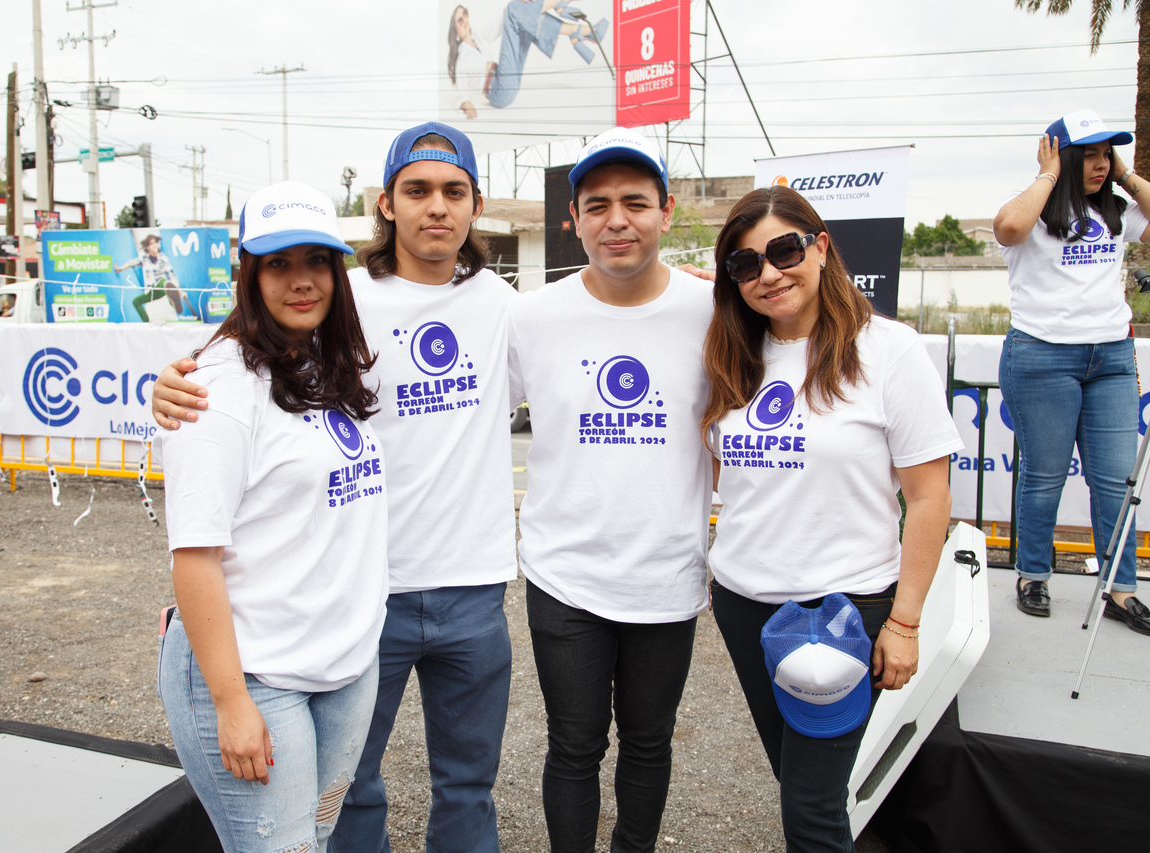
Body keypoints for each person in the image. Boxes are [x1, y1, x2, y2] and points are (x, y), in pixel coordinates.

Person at [153, 122, 518, 853]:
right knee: (347, 801)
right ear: (387, 203)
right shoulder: (334, 299)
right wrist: (166, 387)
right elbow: (232, 367)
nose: (436, 206)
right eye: (417, 189)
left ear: (477, 204)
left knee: (452, 786)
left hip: (456, 591)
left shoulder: (504, 304)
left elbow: (606, 321)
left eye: (454, 191)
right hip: (361, 601)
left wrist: (710, 291)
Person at [703, 185, 960, 852]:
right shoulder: (732, 354)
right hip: (744, 603)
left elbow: (929, 498)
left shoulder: (889, 350)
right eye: (745, 264)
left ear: (821, 247)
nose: (768, 274)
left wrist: (904, 622)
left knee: (811, 805)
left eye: (784, 251)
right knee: (796, 779)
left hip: (843, 609)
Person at [155, 181, 388, 852]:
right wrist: (230, 703)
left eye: (316, 261)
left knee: (316, 836)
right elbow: (194, 556)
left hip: (343, 664)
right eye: (278, 263)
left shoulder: (324, 360)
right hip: (255, 675)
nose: (301, 280)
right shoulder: (218, 387)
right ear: (249, 274)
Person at [508, 127, 712, 853]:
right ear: (574, 218)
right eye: (597, 205)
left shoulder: (714, 308)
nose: (616, 221)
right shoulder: (531, 315)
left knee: (649, 742)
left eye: (635, 203)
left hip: (667, 570)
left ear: (666, 211)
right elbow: (455, 410)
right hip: (565, 573)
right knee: (574, 744)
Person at [993, 109, 1150, 635]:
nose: (1101, 165)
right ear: (1061, 156)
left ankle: (1120, 590)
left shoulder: (1116, 210)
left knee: (1116, 481)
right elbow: (1009, 228)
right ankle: (1033, 575)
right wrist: (1049, 174)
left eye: (1107, 154)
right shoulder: (1031, 208)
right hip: (1043, 357)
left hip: (1111, 359)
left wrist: (1126, 174)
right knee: (1045, 476)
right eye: (1090, 155)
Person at [447, 1, 608, 118]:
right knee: (516, 10)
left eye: (465, 14)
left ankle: (576, 28)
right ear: (455, 31)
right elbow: (460, 94)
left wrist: (522, 7)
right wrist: (465, 103)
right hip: (499, 90)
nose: (465, 21)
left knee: (521, 16)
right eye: (460, 20)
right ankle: (575, 24)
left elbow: (502, 21)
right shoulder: (462, 58)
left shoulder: (479, 37)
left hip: (509, 78)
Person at [116, 234, 196, 321]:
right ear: (148, 246)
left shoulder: (163, 258)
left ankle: (175, 304)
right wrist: (120, 269)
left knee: (165, 283)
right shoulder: (144, 257)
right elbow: (132, 263)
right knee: (135, 301)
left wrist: (180, 292)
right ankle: (146, 323)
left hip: (162, 287)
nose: (154, 245)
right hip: (151, 290)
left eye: (155, 242)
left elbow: (172, 275)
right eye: (151, 243)